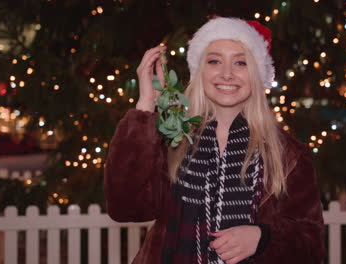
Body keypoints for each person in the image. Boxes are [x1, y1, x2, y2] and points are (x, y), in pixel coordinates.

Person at [104, 17, 324, 264]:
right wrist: (145, 107)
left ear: (256, 73)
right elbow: (125, 208)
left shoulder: (288, 154)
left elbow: (311, 245)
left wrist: (263, 238)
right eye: (214, 61)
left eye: (240, 62)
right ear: (200, 70)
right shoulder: (172, 139)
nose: (227, 74)